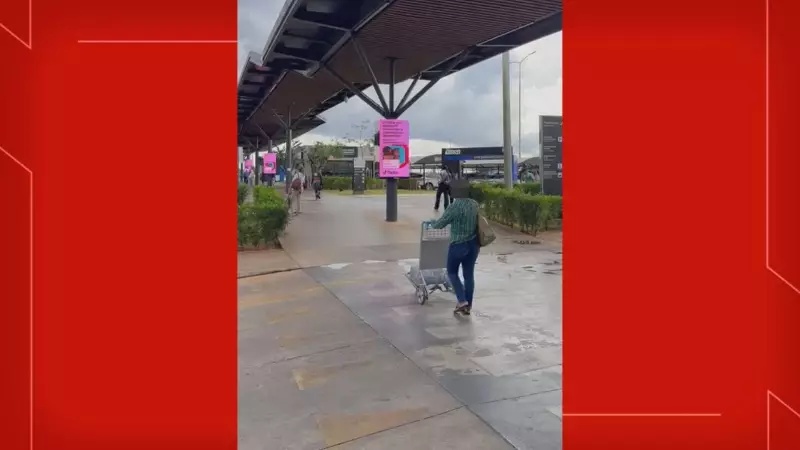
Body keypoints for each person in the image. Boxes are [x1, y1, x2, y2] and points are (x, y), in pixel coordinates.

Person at [429, 180, 480, 315]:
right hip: (474, 245)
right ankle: (468, 305)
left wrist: (432, 223)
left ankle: (461, 300)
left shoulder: (454, 207)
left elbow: (440, 224)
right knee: (469, 275)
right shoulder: (474, 204)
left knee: (452, 272)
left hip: (458, 245)